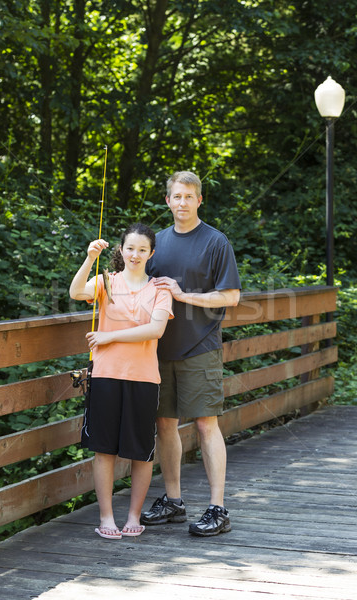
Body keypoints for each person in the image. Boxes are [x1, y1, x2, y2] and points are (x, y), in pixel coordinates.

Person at [140, 171, 241, 537]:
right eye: (176, 196)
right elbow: (136, 287)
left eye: (189, 196)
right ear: (167, 201)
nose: (182, 202)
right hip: (159, 348)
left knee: (204, 424)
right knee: (164, 424)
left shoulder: (216, 242)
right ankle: (173, 502)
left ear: (200, 200)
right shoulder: (156, 243)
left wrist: (184, 296)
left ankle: (218, 509)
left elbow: (230, 296)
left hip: (200, 347)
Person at [69, 223, 173, 540]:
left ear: (151, 253)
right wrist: (89, 258)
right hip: (105, 374)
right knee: (105, 450)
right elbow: (75, 293)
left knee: (140, 451)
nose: (135, 254)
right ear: (121, 250)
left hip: (143, 377)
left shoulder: (162, 289)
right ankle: (106, 517)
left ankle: (133, 515)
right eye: (130, 248)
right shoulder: (106, 282)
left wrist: (109, 336)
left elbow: (155, 330)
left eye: (142, 250)